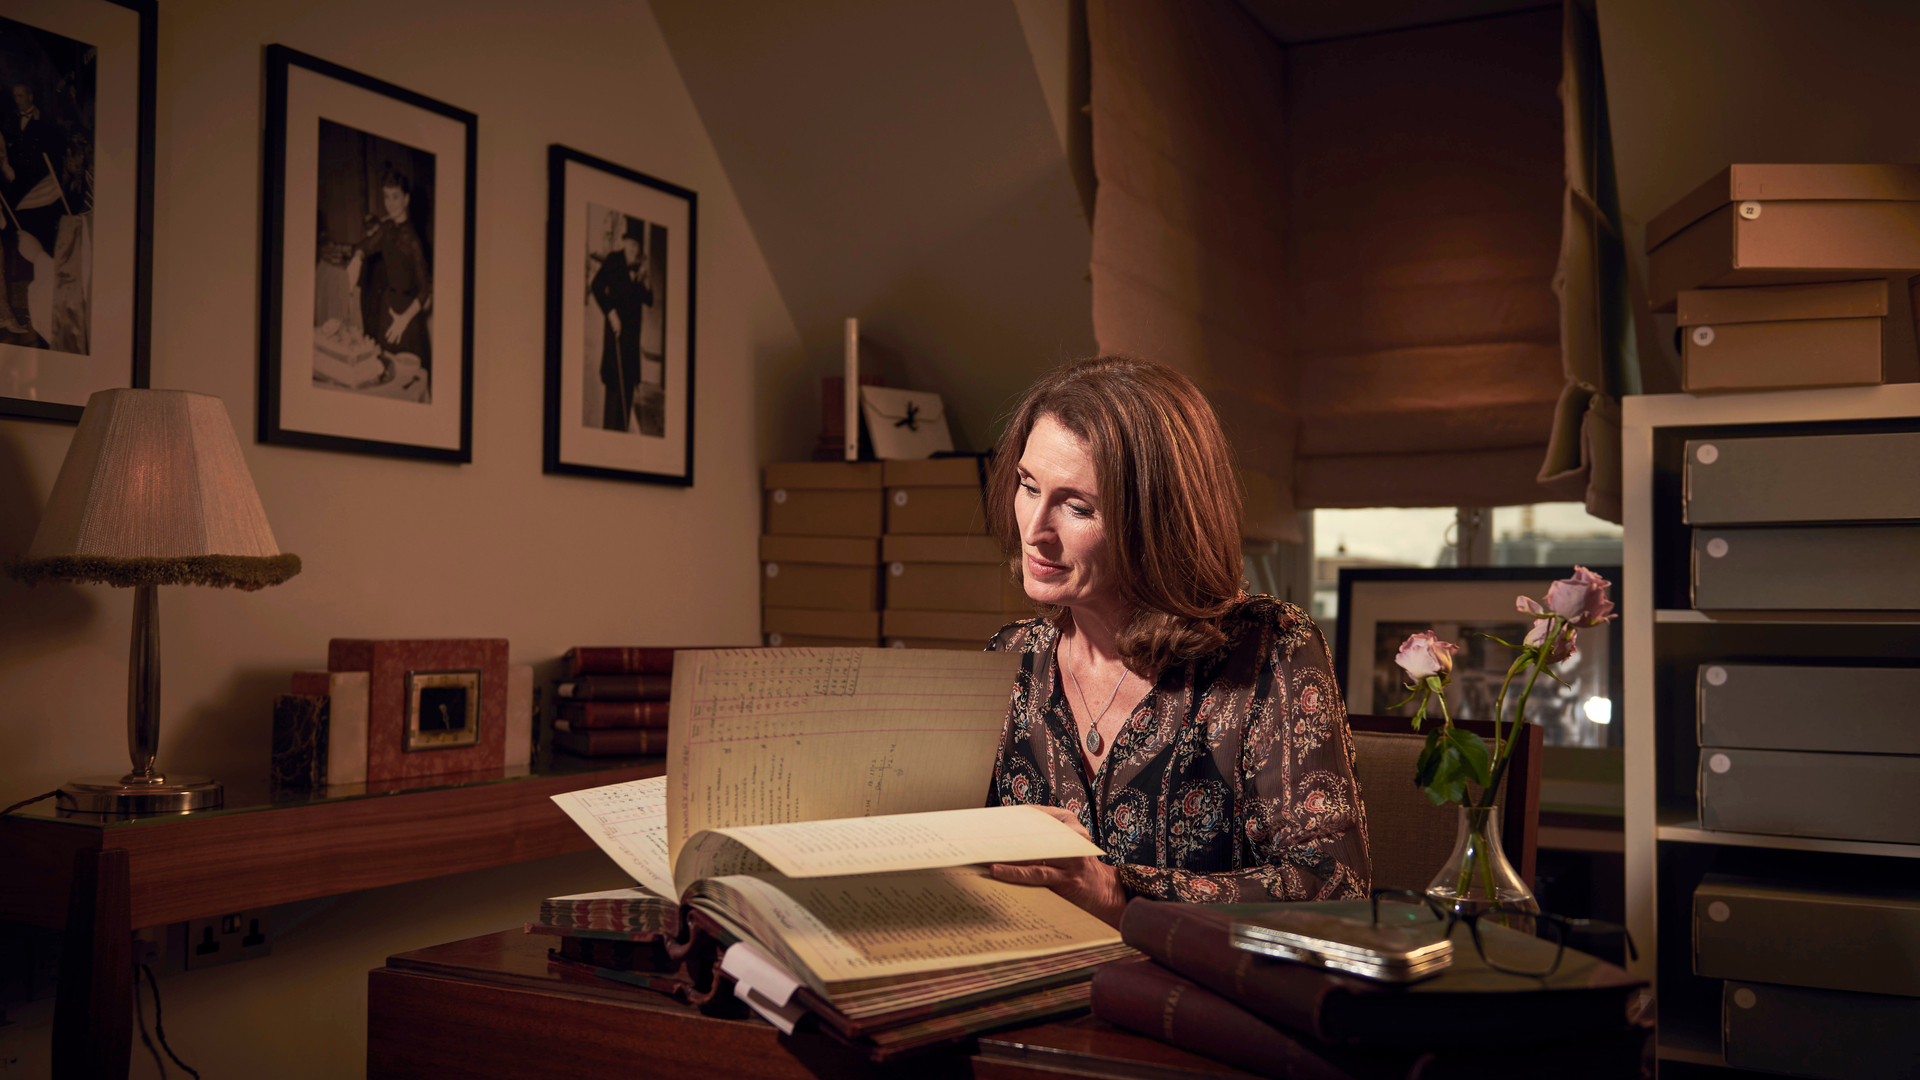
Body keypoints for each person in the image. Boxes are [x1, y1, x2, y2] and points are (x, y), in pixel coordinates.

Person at [982, 356, 1371, 926]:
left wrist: (1121, 891)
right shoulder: (1011, 658)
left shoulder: (1269, 650)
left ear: (1155, 520)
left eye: (1077, 506)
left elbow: (1336, 887)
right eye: (1027, 486)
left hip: (1186, 997)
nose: (1035, 530)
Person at [347, 169, 432, 369]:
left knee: (407, 375)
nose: (390, 203)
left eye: (395, 197)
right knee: (384, 370)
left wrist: (404, 320)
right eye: (386, 197)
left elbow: (424, 290)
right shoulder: (386, 229)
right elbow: (364, 245)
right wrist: (357, 258)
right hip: (387, 309)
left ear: (406, 200)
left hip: (407, 316)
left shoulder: (413, 240)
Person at [590, 217, 653, 431]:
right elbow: (596, 286)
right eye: (633, 245)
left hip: (632, 346)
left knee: (627, 399)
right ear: (625, 243)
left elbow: (649, 300)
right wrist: (610, 312)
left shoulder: (638, 267)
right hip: (616, 339)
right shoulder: (613, 260)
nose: (635, 250)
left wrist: (645, 280)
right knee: (614, 397)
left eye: (638, 247)